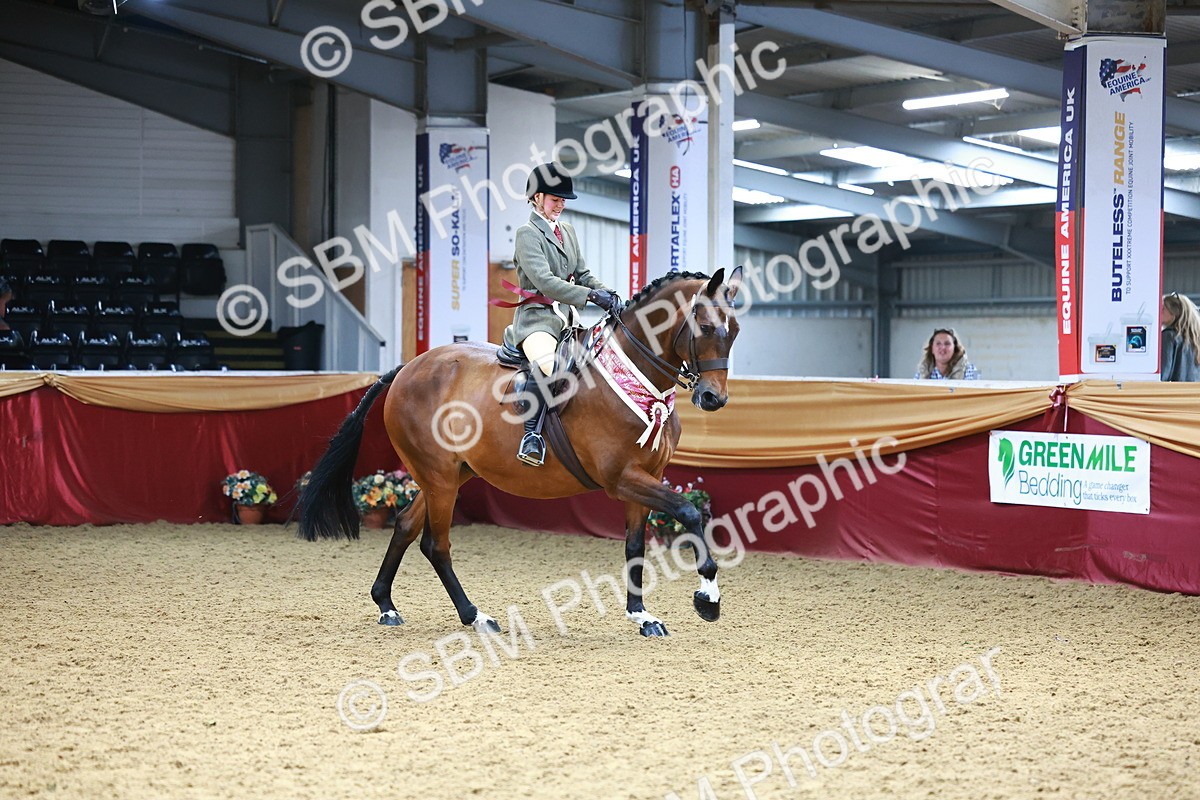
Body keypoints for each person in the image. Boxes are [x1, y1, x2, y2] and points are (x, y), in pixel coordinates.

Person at [501, 162, 619, 466]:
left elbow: (583, 274)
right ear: (537, 197)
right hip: (537, 321)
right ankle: (532, 436)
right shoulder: (527, 234)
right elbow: (545, 282)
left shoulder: (567, 231)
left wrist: (608, 294)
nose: (560, 205)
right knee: (550, 365)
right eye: (555, 200)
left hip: (567, 320)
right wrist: (589, 296)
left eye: (563, 200)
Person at [1161, 291, 1200, 381]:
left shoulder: (1169, 335)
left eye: (1163, 309)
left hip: (1174, 389)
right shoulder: (1195, 338)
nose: (1159, 312)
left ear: (1175, 313)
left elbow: (1163, 374)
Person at [914, 327, 981, 380]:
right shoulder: (921, 373)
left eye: (947, 343)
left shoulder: (971, 370)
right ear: (932, 349)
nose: (943, 347)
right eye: (938, 344)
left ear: (955, 349)